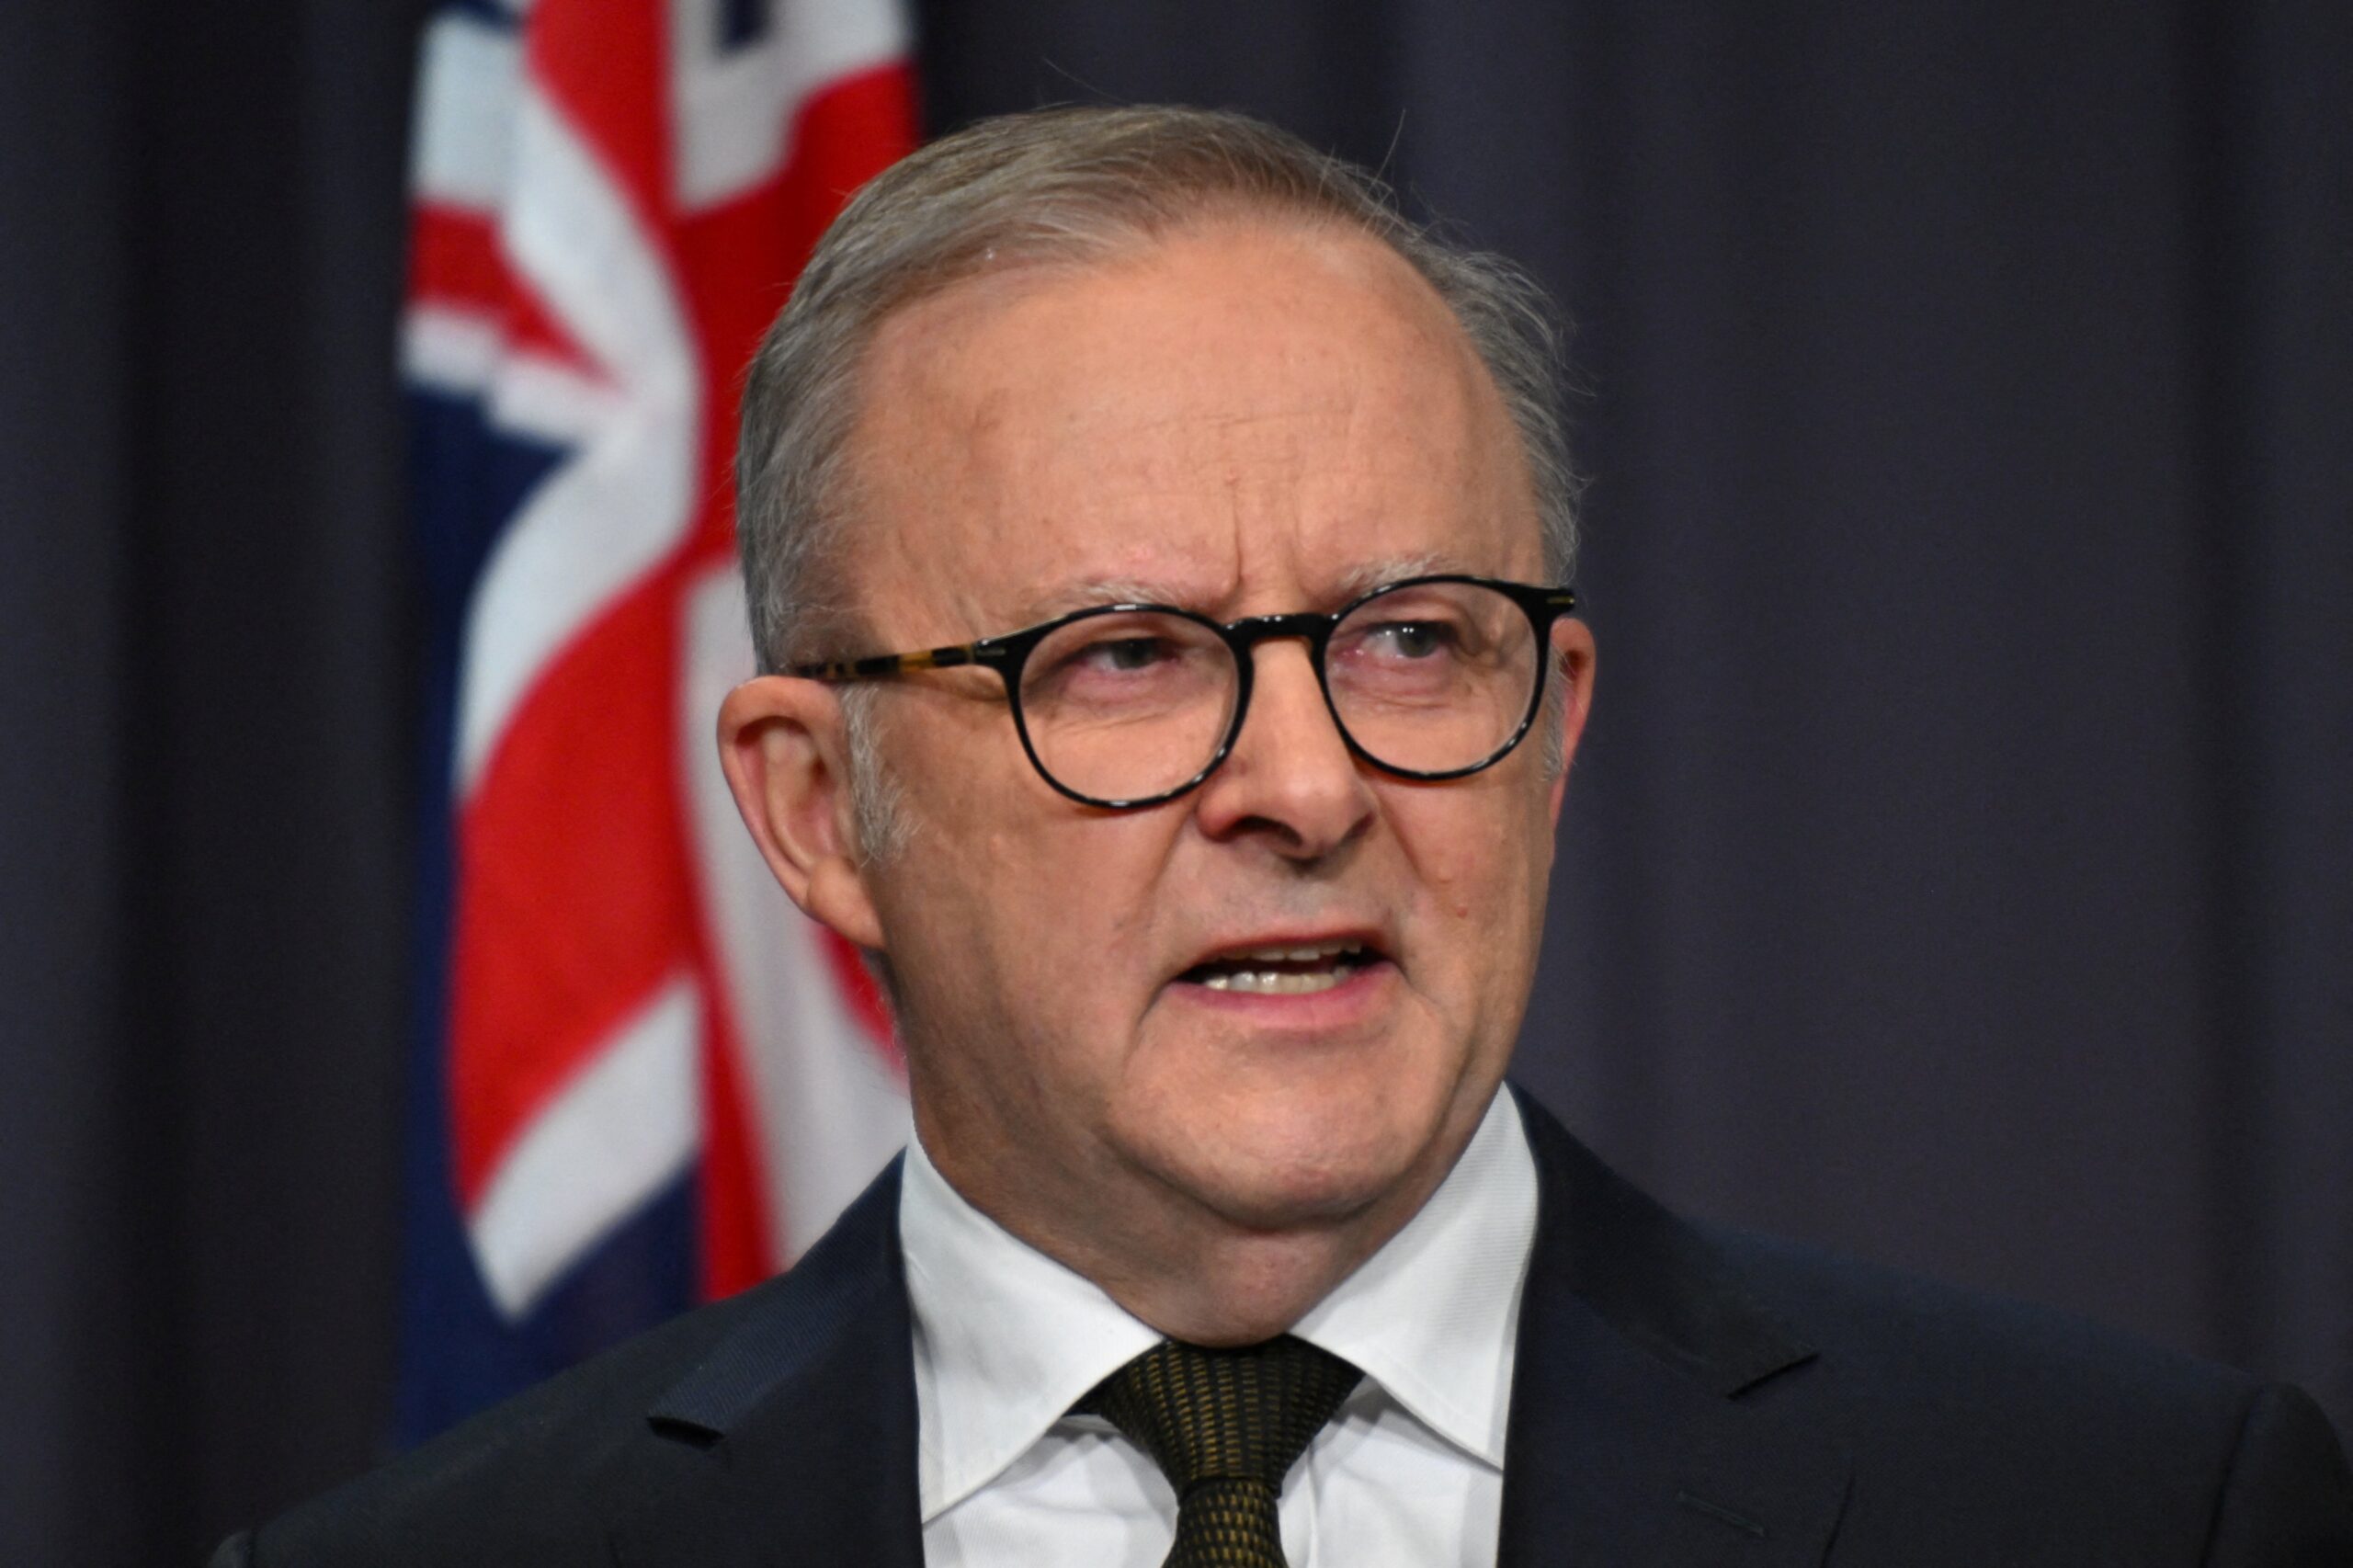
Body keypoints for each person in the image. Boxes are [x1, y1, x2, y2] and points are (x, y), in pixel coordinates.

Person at [215, 104, 2351, 1567]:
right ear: (812, 806)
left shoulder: (2120, 1509)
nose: (1309, 786)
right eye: (1122, 658)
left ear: (1553, 725)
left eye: (1412, 639)